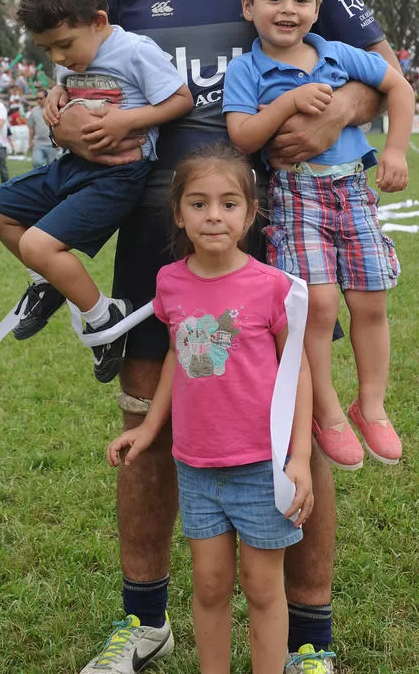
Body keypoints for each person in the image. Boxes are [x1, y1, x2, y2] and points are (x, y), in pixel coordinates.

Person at [41, 0, 399, 674]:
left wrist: (339, 114)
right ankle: (144, 622)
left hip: (283, 230)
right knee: (151, 425)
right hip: (157, 236)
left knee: (294, 423)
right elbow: (71, 67)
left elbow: (386, 67)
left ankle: (310, 642)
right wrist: (59, 109)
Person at [107, 144, 319, 674]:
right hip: (197, 467)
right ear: (178, 213)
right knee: (209, 585)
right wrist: (150, 428)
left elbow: (300, 373)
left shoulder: (274, 288)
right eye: (198, 204)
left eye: (228, 204)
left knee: (263, 589)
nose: (214, 216)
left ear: (251, 213)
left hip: (261, 469)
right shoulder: (170, 282)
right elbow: (181, 359)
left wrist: (298, 458)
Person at [223, 0, 414, 470]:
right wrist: (287, 102)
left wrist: (394, 149)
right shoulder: (247, 70)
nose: (288, 9)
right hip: (297, 195)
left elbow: (398, 86)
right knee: (320, 306)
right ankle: (326, 412)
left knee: (371, 299)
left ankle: (370, 406)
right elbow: (241, 137)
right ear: (249, 7)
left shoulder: (336, 53)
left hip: (353, 191)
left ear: (317, 7)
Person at [0, 0, 192, 374]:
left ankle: (104, 317)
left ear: (98, 21)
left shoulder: (136, 51)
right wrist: (54, 93)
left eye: (63, 45)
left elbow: (181, 99)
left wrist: (128, 120)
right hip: (73, 163)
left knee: (38, 245)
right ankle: (48, 283)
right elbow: (69, 82)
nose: (58, 57)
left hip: (119, 174)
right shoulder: (73, 58)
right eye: (47, 50)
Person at [27, 89, 60, 166]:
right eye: (37, 98)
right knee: (36, 162)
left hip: (51, 144)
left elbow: (58, 126)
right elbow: (31, 128)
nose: (38, 100)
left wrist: (59, 142)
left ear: (46, 97)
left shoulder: (54, 109)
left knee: (53, 167)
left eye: (40, 98)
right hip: (38, 144)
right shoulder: (34, 111)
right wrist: (30, 142)